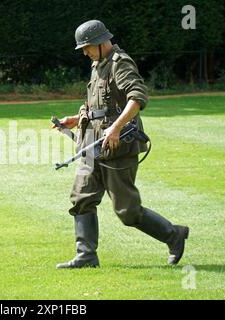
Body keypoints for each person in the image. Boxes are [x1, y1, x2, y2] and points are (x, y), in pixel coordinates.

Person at [53, 20, 189, 269]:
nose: (85, 52)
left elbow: (137, 97)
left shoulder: (120, 62)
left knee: (127, 212)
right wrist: (76, 118)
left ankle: (174, 235)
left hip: (117, 147)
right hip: (92, 145)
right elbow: (100, 104)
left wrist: (115, 128)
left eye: (87, 47)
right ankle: (86, 256)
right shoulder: (98, 65)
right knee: (81, 198)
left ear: (101, 42)